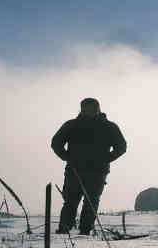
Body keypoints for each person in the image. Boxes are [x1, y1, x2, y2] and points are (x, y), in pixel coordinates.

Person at [51, 97, 126, 235]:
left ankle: (85, 231)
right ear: (81, 109)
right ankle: (64, 230)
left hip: (97, 172)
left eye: (92, 108)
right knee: (71, 202)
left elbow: (121, 147)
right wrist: (68, 158)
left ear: (98, 109)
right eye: (86, 108)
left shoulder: (109, 126)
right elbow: (56, 143)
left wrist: (105, 159)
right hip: (75, 170)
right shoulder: (71, 125)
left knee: (91, 202)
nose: (89, 111)